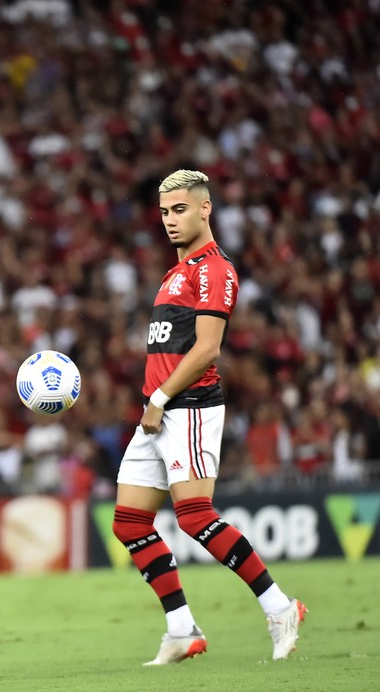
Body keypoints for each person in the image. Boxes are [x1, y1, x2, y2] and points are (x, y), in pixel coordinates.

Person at [111, 169, 306, 665]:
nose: (170, 220)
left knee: (195, 516)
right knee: (130, 522)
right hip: (156, 410)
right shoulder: (174, 272)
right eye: (163, 212)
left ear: (205, 209)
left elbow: (207, 349)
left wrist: (159, 400)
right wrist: (152, 403)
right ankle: (181, 629)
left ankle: (280, 607)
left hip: (188, 407)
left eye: (180, 210)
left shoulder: (213, 270)